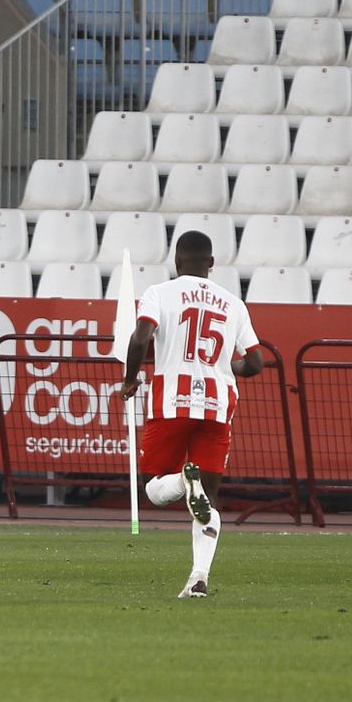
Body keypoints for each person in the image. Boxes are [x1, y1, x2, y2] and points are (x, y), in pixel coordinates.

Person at [117, 231, 264, 599]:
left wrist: (130, 378)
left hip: (172, 402)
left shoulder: (159, 293)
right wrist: (226, 369)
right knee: (209, 501)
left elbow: (141, 337)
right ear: (211, 264)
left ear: (177, 262)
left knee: (153, 489)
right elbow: (256, 363)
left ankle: (184, 483)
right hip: (217, 406)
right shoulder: (233, 304)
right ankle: (199, 578)